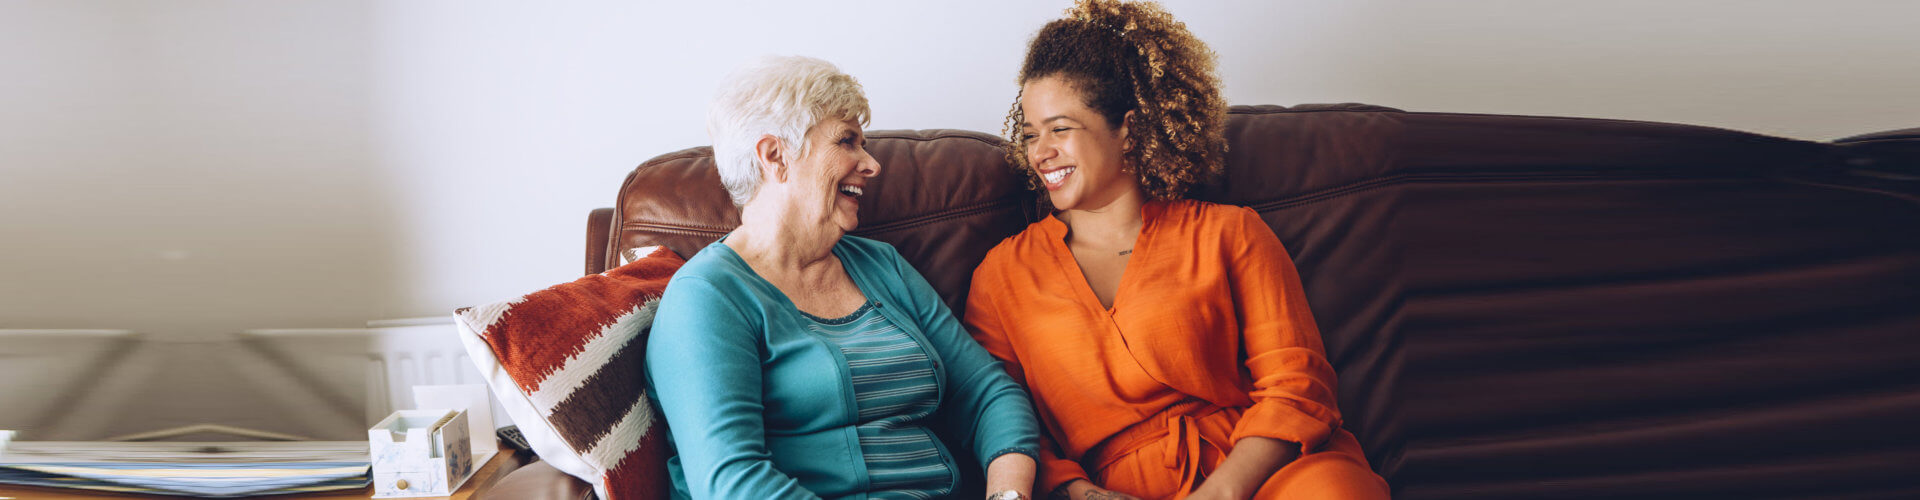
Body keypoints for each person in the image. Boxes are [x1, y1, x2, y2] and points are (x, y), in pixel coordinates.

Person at [964, 2, 1392, 499]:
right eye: (1032, 134)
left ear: (1126, 130)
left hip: (1261, 473)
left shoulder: (1228, 232)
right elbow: (999, 417)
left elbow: (1297, 382)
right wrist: (1077, 492)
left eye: (1060, 129)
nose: (1040, 152)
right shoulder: (1002, 276)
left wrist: (1223, 492)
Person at [646, 56, 1041, 500]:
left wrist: (1007, 494)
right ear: (775, 156)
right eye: (847, 141)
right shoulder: (707, 297)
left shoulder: (881, 265)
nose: (872, 165)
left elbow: (986, 391)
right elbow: (732, 482)